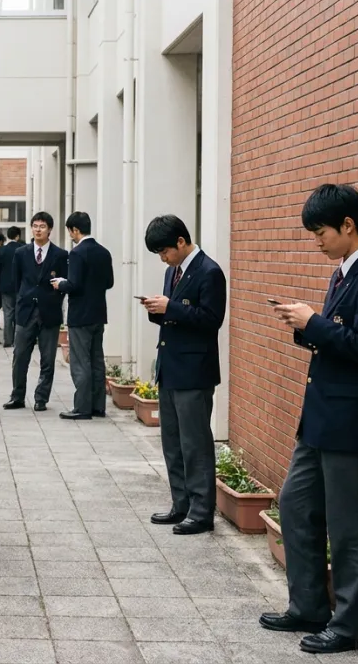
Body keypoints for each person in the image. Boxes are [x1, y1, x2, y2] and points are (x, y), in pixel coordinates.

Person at [261, 184, 358, 655]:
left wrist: (314, 323)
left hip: (353, 423)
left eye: (320, 232)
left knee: (350, 527)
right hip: (321, 418)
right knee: (296, 504)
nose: (315, 241)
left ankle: (351, 626)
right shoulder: (345, 272)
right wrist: (306, 325)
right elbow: (340, 338)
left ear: (348, 225)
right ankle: (308, 606)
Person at [140, 214, 226, 536]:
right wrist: (157, 310)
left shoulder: (210, 272)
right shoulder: (171, 272)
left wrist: (170, 308)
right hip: (170, 368)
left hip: (195, 372)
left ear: (180, 241)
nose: (163, 258)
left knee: (196, 445)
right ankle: (181, 505)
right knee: (172, 443)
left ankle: (202, 512)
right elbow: (174, 318)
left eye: (164, 251)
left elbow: (211, 319)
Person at [52, 211, 114, 420]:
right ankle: (98, 406)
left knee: (80, 363)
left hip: (80, 316)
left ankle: (82, 407)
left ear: (75, 230)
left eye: (71, 231)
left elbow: (74, 284)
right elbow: (109, 283)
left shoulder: (77, 253)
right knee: (97, 361)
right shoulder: (104, 252)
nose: (71, 235)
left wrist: (61, 283)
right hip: (98, 313)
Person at [5, 213, 68, 412]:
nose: (38, 229)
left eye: (42, 226)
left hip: (49, 312)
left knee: (47, 358)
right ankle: (17, 396)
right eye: (35, 226)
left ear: (49, 229)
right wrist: (22, 301)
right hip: (26, 312)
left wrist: (52, 300)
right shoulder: (21, 253)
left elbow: (64, 283)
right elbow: (17, 282)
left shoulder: (60, 255)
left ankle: (41, 398)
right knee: (20, 355)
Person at [0, 226, 25, 346]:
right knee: (19, 313)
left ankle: (8, 340)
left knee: (8, 313)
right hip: (20, 286)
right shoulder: (23, 248)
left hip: (5, 286)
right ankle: (18, 341)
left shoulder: (2, 250)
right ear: (18, 236)